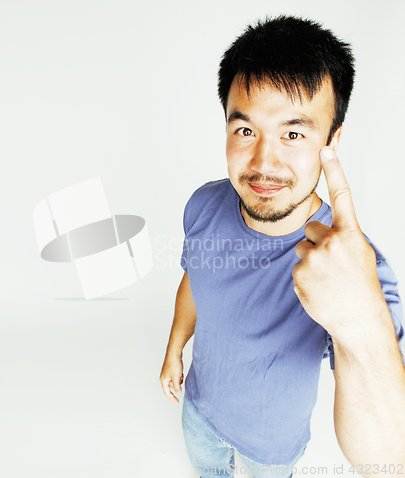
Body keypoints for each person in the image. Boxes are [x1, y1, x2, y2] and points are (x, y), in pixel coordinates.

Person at [159, 15, 405, 478]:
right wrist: (175, 347)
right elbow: (196, 278)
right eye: (245, 130)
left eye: (293, 133)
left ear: (331, 141)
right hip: (198, 411)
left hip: (272, 444)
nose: (263, 162)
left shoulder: (353, 266)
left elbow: (389, 460)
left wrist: (363, 315)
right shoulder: (205, 204)